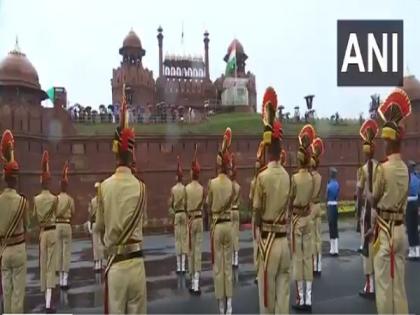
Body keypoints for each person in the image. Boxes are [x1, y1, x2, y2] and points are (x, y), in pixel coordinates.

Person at [95, 86, 148, 314]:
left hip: (115, 266)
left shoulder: (104, 188)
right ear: (132, 154)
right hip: (137, 265)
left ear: (116, 152)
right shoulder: (142, 188)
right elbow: (143, 223)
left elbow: (99, 227)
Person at [371, 89, 411, 314]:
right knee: (399, 287)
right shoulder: (405, 169)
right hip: (400, 229)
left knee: (384, 285)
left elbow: (375, 196)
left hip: (385, 231)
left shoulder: (382, 169)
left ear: (389, 143)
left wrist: (369, 197)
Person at [253, 87, 291, 314]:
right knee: (283, 299)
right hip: (284, 242)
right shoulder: (288, 177)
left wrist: (257, 236)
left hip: (267, 243)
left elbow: (256, 212)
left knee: (267, 300)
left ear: (267, 149)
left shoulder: (262, 177)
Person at [0, 130, 30, 314]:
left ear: (4, 178)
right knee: (18, 293)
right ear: (16, 179)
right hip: (18, 248)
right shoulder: (22, 202)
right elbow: (27, 225)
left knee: (7, 291)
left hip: (3, 250)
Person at [207, 127, 235, 315]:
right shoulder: (232, 185)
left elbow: (208, 204)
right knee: (228, 267)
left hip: (217, 226)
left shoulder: (212, 183)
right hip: (229, 225)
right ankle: (230, 305)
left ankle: (221, 307)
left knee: (219, 267)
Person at [290, 124, 316, 312]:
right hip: (308, 217)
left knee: (298, 258)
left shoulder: (294, 179)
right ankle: (308, 298)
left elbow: (290, 198)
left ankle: (300, 297)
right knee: (308, 257)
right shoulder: (313, 178)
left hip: (297, 219)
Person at [356, 119, 379, 298]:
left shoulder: (362, 170)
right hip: (379, 211)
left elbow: (359, 193)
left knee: (366, 246)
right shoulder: (381, 168)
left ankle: (369, 286)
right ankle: (377, 283)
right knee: (378, 246)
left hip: (367, 210)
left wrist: (358, 216)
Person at [33, 150, 59, 313]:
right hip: (53, 231)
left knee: (43, 265)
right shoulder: (55, 199)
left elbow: (35, 217)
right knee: (51, 265)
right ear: (49, 182)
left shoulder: (36, 199)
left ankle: (46, 299)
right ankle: (49, 303)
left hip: (42, 233)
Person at [185, 145, 204, 295]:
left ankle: (193, 280)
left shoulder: (187, 188)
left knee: (190, 250)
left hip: (190, 220)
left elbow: (184, 205)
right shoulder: (202, 189)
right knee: (197, 250)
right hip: (199, 219)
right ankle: (196, 282)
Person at [56, 161, 75, 290]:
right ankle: (65, 280)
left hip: (57, 225)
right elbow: (73, 212)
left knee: (59, 251)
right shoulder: (70, 199)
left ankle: (60, 277)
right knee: (66, 252)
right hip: (67, 225)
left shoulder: (55, 199)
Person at [168, 157, 188, 273]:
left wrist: (172, 214)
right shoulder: (185, 189)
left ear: (177, 177)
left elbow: (171, 204)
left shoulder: (173, 189)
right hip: (183, 214)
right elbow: (186, 203)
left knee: (177, 239)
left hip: (177, 214)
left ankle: (178, 266)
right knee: (184, 239)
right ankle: (183, 266)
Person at [310, 137, 325, 276]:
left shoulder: (310, 177)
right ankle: (319, 265)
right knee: (318, 236)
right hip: (318, 206)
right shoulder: (319, 176)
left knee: (311, 238)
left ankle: (314, 264)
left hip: (311, 206)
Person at [88, 182, 104, 272]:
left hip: (94, 222)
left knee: (95, 244)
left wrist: (89, 224)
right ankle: (101, 262)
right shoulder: (103, 200)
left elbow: (90, 214)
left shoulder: (93, 200)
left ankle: (97, 263)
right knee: (101, 243)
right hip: (101, 222)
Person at [406, 160, 419, 260]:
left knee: (410, 228)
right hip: (417, 202)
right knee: (416, 228)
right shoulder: (418, 177)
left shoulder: (407, 178)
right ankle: (418, 251)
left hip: (409, 203)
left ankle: (412, 252)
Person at [230, 155, 241, 268]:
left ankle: (232, 258)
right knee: (236, 234)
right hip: (236, 210)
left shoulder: (228, 185)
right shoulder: (238, 186)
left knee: (230, 234)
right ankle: (236, 258)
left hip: (230, 211)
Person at [326, 167, 340, 256]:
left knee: (331, 226)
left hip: (330, 205)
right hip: (336, 205)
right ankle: (336, 248)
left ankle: (332, 249)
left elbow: (326, 196)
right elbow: (338, 195)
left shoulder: (329, 184)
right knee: (335, 226)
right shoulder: (337, 184)